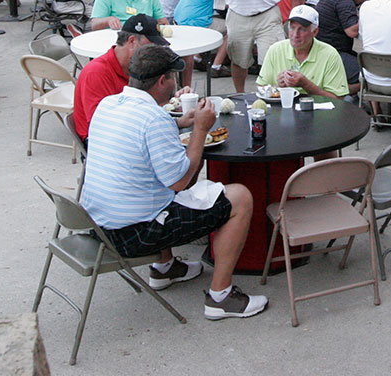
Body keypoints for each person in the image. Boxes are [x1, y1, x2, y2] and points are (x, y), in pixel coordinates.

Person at [80, 45, 267, 319]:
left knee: (149, 185)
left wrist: (179, 122)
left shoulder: (108, 104)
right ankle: (221, 297)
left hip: (98, 224)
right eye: (173, 77)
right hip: (133, 235)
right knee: (239, 197)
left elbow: (145, 136)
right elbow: (180, 180)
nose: (176, 83)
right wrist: (201, 129)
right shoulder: (153, 118)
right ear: (161, 81)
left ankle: (165, 268)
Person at [73, 15, 171, 142]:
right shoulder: (96, 72)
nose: (154, 51)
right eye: (151, 46)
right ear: (132, 42)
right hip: (104, 142)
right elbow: (100, 126)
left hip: (130, 132)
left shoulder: (137, 65)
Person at [256, 4, 348, 99]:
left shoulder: (330, 54)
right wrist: (279, 88)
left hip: (317, 111)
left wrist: (306, 84)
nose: (295, 34)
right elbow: (261, 88)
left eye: (302, 29)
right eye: (292, 27)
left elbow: (338, 99)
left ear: (315, 32)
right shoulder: (275, 50)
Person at [313, 0, 373, 95]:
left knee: (364, 62)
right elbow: (352, 31)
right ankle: (342, 95)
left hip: (323, 49)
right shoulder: (345, 1)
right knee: (371, 74)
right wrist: (368, 15)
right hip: (331, 54)